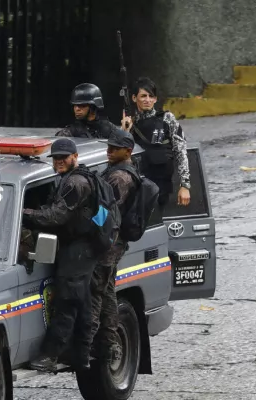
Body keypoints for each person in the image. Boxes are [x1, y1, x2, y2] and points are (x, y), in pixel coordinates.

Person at [22, 138, 98, 372]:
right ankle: (82, 355)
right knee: (82, 303)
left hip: (78, 250)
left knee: (67, 302)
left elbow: (56, 216)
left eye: (64, 157)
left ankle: (51, 355)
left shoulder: (75, 183)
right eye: (56, 158)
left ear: (75, 157)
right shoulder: (69, 178)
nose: (59, 161)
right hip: (80, 248)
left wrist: (20, 212)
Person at [89, 128, 138, 363]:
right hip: (112, 240)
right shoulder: (118, 170)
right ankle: (107, 341)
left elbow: (107, 213)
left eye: (114, 148)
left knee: (100, 289)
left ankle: (104, 342)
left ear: (128, 151)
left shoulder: (120, 178)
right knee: (106, 289)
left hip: (110, 243)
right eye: (108, 147)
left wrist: (85, 227)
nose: (108, 151)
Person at [124, 77, 190, 207]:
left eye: (151, 96)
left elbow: (181, 152)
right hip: (139, 186)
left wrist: (185, 185)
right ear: (134, 98)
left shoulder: (167, 119)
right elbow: (120, 156)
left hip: (162, 186)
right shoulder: (130, 124)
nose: (147, 100)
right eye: (143, 96)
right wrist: (125, 131)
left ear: (155, 99)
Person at [55, 83, 123, 139]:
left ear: (93, 107)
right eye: (75, 105)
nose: (77, 109)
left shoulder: (109, 128)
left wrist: (126, 130)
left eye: (82, 105)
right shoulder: (69, 132)